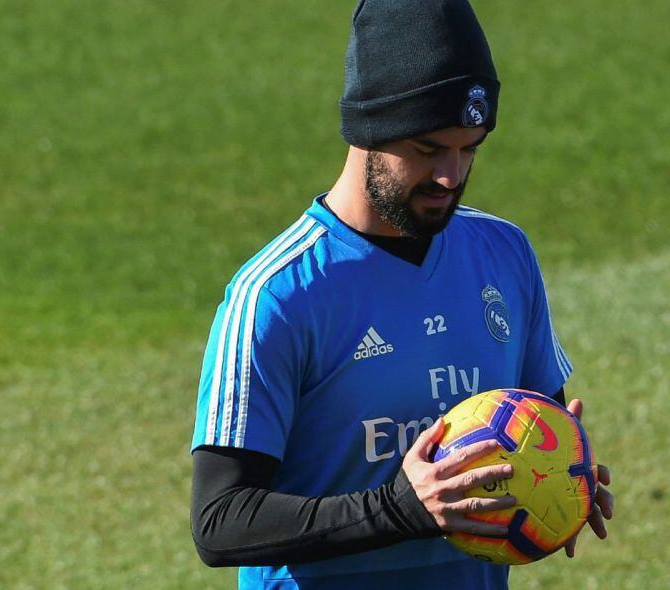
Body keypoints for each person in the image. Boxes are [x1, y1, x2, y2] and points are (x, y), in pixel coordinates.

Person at [189, 1, 613, 588]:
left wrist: (566, 476)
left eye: (470, 148)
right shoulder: (278, 295)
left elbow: (537, 423)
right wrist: (396, 510)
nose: (450, 175)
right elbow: (219, 520)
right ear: (367, 129)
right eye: (427, 148)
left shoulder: (504, 254)